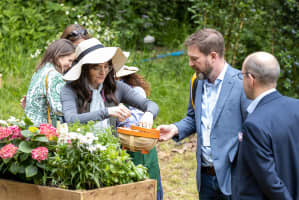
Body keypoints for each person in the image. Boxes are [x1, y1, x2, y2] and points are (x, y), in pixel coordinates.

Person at [157, 28, 250, 199]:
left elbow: (254, 132)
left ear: (213, 56)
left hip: (234, 179)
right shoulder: (197, 82)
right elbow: (193, 118)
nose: (190, 64)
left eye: (194, 59)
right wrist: (175, 129)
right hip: (205, 177)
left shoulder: (242, 84)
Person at [233, 52, 299, 200]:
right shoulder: (296, 107)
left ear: (250, 79)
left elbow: (270, 182)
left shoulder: (254, 124)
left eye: (242, 75)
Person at [61, 38, 158, 131]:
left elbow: (150, 104)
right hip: (78, 145)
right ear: (84, 70)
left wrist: (149, 114)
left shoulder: (116, 87)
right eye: (96, 68)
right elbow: (71, 120)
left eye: (106, 67)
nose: (103, 72)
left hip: (110, 146)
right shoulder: (70, 89)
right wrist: (107, 112)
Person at [116, 66, 163, 200]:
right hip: (122, 148)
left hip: (138, 146)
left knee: (147, 188)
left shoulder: (135, 91)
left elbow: (134, 124)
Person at [20, 24, 90, 109]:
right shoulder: (56, 69)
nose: (79, 50)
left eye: (83, 46)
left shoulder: (91, 63)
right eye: (76, 46)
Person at [25, 39, 75, 126]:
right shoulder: (54, 75)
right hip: (44, 132)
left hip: (30, 127)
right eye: (69, 60)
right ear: (59, 55)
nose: (70, 65)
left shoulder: (40, 70)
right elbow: (59, 108)